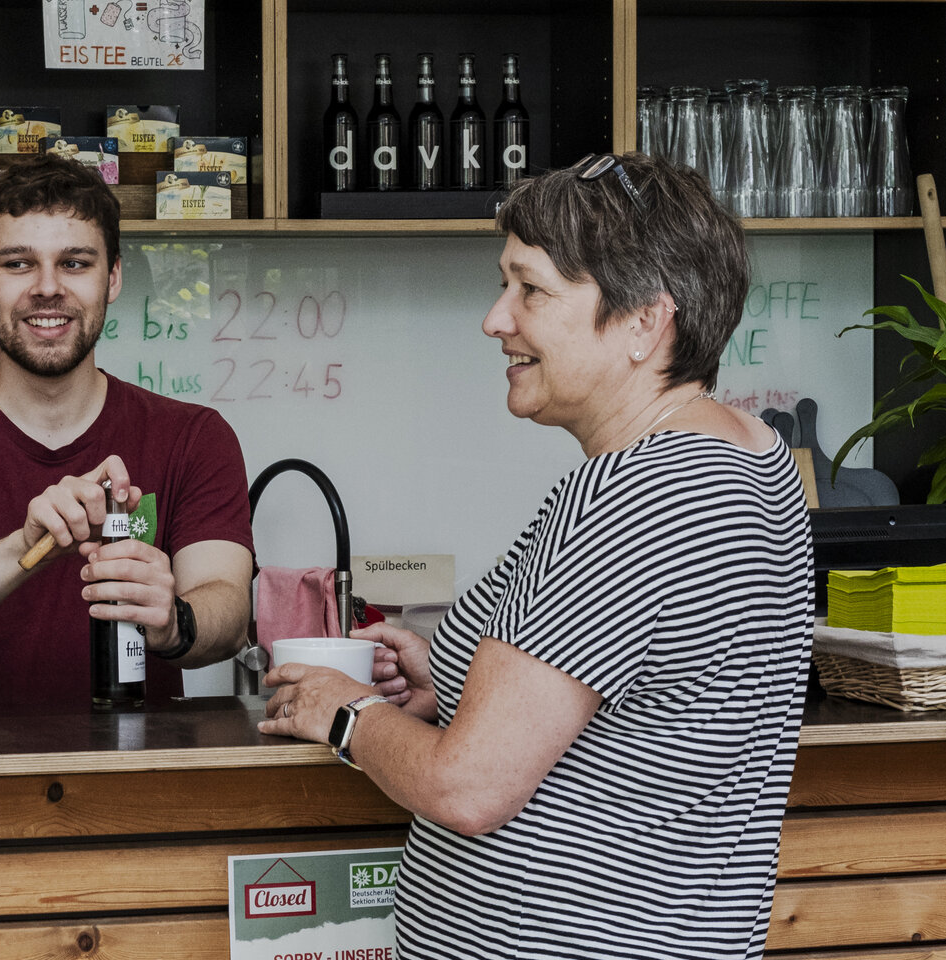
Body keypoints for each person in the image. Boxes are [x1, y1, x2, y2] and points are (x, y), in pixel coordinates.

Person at [257, 154, 814, 959]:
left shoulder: (634, 491)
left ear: (643, 323)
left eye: (532, 289)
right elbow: (649, 713)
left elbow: (468, 786)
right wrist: (453, 682)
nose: (495, 319)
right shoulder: (752, 454)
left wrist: (344, 713)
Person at [0, 156, 255, 709]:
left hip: (143, 783)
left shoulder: (195, 438)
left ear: (112, 279)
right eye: (17, 263)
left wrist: (172, 619)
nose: (47, 288)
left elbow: (228, 610)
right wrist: (23, 547)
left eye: (75, 263)